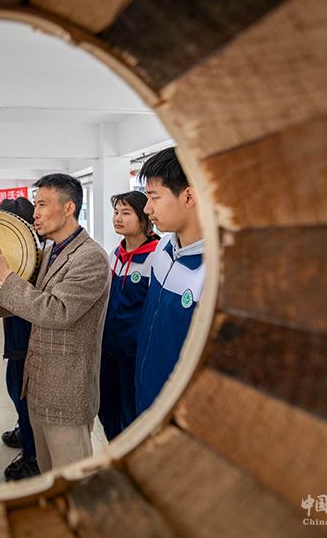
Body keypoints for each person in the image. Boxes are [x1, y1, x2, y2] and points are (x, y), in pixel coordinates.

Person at [0, 174, 111, 473]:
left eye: (42, 204)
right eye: (35, 203)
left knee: (72, 477)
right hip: (39, 382)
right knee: (49, 471)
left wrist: (6, 277)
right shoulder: (53, 250)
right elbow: (32, 300)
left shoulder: (90, 258)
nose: (35, 212)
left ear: (68, 208)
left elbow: (56, 311)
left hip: (66, 390)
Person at [135, 147, 204, 415]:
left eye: (154, 197)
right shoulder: (162, 251)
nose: (146, 208)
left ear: (188, 196)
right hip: (147, 396)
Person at [97, 190, 159, 441]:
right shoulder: (115, 254)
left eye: (126, 213)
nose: (117, 218)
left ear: (145, 218)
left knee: (131, 414)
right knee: (107, 410)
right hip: (109, 350)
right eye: (116, 212)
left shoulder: (156, 256)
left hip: (135, 356)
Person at [0, 197, 40, 480]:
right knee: (15, 390)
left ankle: (33, 457)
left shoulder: (32, 255)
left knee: (23, 394)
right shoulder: (15, 251)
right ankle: (24, 431)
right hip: (16, 338)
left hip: (28, 342)